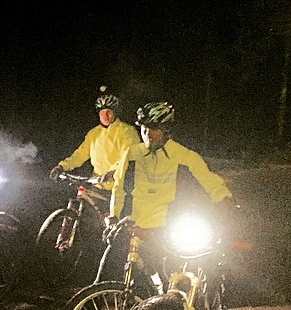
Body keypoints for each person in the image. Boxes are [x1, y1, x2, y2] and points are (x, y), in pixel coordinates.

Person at [101, 101, 237, 288]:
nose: (147, 133)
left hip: (168, 226)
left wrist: (225, 199)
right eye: (144, 128)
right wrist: (113, 216)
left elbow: (209, 180)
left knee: (176, 278)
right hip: (137, 224)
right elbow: (119, 189)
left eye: (154, 128)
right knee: (108, 267)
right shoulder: (132, 153)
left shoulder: (183, 155)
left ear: (166, 131)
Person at [48, 86, 140, 219]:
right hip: (97, 184)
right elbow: (80, 154)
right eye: (102, 112)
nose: (105, 115)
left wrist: (112, 172)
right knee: (88, 217)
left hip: (120, 187)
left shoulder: (126, 131)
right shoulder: (94, 133)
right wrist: (62, 166)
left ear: (115, 113)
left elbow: (128, 156)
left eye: (109, 112)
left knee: (116, 225)